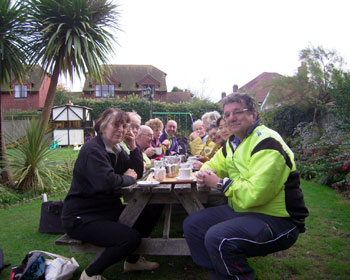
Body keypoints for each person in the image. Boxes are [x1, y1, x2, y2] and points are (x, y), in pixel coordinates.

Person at [183, 94, 309, 280]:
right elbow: (214, 164)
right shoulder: (233, 143)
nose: (231, 118)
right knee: (193, 225)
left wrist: (219, 183)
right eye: (227, 114)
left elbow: (254, 194)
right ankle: (218, 274)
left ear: (254, 114)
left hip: (279, 219)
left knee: (218, 238)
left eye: (238, 112)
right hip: (244, 210)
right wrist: (204, 173)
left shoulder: (267, 142)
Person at [61, 108, 161, 280]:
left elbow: (135, 171)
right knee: (130, 239)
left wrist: (133, 147)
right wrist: (127, 178)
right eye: (116, 125)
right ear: (102, 126)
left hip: (104, 210)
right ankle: (90, 274)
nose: (121, 130)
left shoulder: (116, 150)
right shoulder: (93, 150)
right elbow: (106, 182)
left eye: (124, 126)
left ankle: (132, 261)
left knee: (152, 209)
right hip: (82, 217)